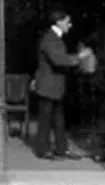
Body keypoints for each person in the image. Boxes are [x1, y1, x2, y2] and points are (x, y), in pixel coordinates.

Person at [33, 9, 93, 160]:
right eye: (67, 22)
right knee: (46, 119)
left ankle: (61, 149)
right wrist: (80, 57)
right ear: (58, 22)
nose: (70, 25)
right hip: (48, 86)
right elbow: (59, 60)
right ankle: (43, 150)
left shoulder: (54, 38)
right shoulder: (50, 39)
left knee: (59, 119)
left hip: (55, 86)